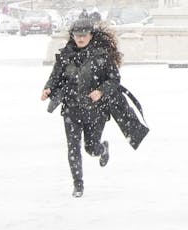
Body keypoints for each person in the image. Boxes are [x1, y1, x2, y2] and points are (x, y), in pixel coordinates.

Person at [40, 10, 148, 197]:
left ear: (91, 35)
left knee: (90, 148)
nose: (80, 38)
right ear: (72, 36)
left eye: (83, 35)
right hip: (71, 108)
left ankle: (102, 149)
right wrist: (48, 88)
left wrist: (101, 91)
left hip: (95, 110)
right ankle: (78, 185)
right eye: (77, 35)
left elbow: (114, 80)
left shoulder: (102, 55)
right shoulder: (65, 55)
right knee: (73, 148)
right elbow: (55, 77)